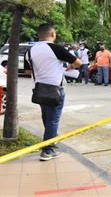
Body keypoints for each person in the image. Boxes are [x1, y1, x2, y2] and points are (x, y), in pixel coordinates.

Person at [26, 24, 82, 161]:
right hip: (55, 90)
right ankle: (47, 150)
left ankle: (50, 144)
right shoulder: (56, 48)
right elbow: (78, 62)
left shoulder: (30, 51)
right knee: (53, 120)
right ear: (52, 34)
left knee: (47, 118)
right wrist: (70, 66)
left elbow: (28, 71)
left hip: (39, 89)